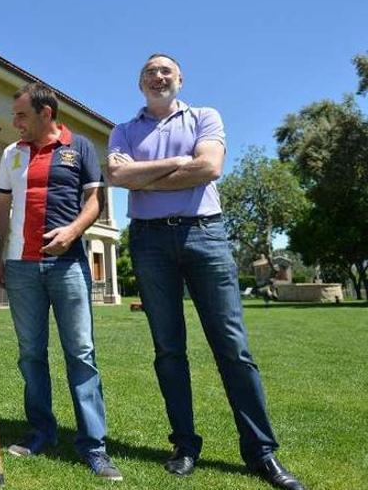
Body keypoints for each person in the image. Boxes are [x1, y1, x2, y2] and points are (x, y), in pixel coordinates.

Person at [106, 53, 305, 490]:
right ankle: (185, 445)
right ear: (140, 84)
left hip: (205, 235)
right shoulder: (123, 129)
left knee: (232, 346)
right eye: (149, 72)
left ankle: (261, 452)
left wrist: (145, 177)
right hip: (149, 240)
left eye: (165, 71)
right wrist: (179, 165)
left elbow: (210, 167)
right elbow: (117, 176)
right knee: (168, 348)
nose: (157, 77)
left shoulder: (204, 116)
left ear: (179, 79)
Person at [0, 82, 122, 481]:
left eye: (21, 115)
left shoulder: (79, 147)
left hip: (69, 267)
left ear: (46, 113)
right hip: (21, 267)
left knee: (80, 352)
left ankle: (94, 446)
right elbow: (1, 206)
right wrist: (0, 252)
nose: (15, 123)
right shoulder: (12, 154)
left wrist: (72, 233)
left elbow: (95, 201)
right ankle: (41, 431)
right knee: (31, 353)